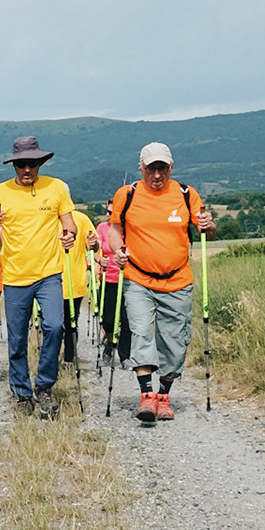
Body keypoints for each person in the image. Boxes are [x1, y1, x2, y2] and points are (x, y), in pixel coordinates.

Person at [102, 144, 214, 425]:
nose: (156, 174)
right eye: (151, 168)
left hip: (177, 280)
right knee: (140, 333)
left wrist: (208, 225)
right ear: (141, 168)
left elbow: (206, 233)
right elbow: (116, 231)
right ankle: (146, 396)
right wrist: (118, 251)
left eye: (162, 168)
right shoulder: (127, 195)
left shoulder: (187, 195)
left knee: (174, 342)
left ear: (171, 168)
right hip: (138, 278)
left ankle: (164, 395)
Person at [0, 137, 78, 416]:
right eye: (21, 164)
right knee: (16, 337)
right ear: (14, 165)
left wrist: (70, 236)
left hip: (49, 273)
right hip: (14, 276)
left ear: (40, 163)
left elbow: (70, 225)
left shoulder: (56, 188)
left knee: (55, 327)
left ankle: (44, 386)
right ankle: (22, 392)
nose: (26, 170)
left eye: (32, 164)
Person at [94, 210, 131, 364]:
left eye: (114, 212)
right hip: (109, 277)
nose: (110, 214)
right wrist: (99, 260)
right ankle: (110, 343)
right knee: (108, 320)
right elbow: (96, 250)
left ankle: (125, 355)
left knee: (127, 319)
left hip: (129, 278)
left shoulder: (131, 228)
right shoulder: (103, 227)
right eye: (108, 211)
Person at [60, 204, 95, 364]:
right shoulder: (47, 219)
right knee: (57, 325)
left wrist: (94, 246)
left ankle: (69, 359)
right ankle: (56, 359)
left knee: (70, 323)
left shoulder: (81, 219)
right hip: (49, 281)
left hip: (73, 281)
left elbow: (94, 245)